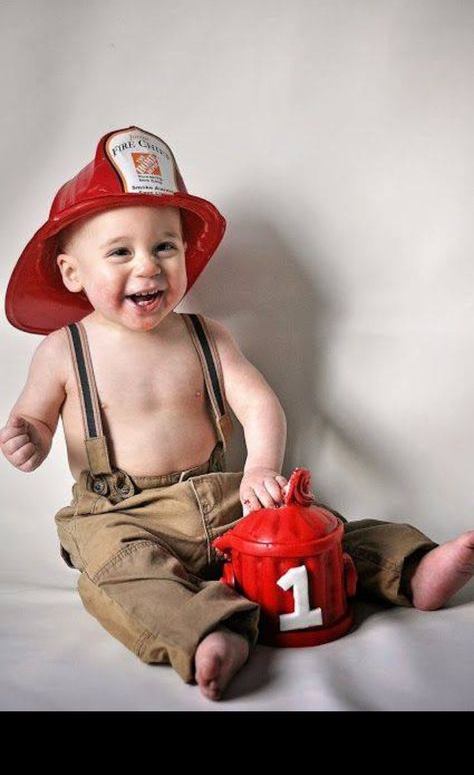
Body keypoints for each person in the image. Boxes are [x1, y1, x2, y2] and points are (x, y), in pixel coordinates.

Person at [2, 125, 474, 702]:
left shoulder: (207, 336)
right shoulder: (63, 350)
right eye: (120, 252)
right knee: (125, 575)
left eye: (164, 246)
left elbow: (258, 403)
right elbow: (35, 420)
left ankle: (411, 566)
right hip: (122, 515)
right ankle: (208, 631)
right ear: (73, 272)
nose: (147, 267)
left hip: (224, 495)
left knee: (320, 531)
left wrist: (260, 471)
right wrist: (28, 435)